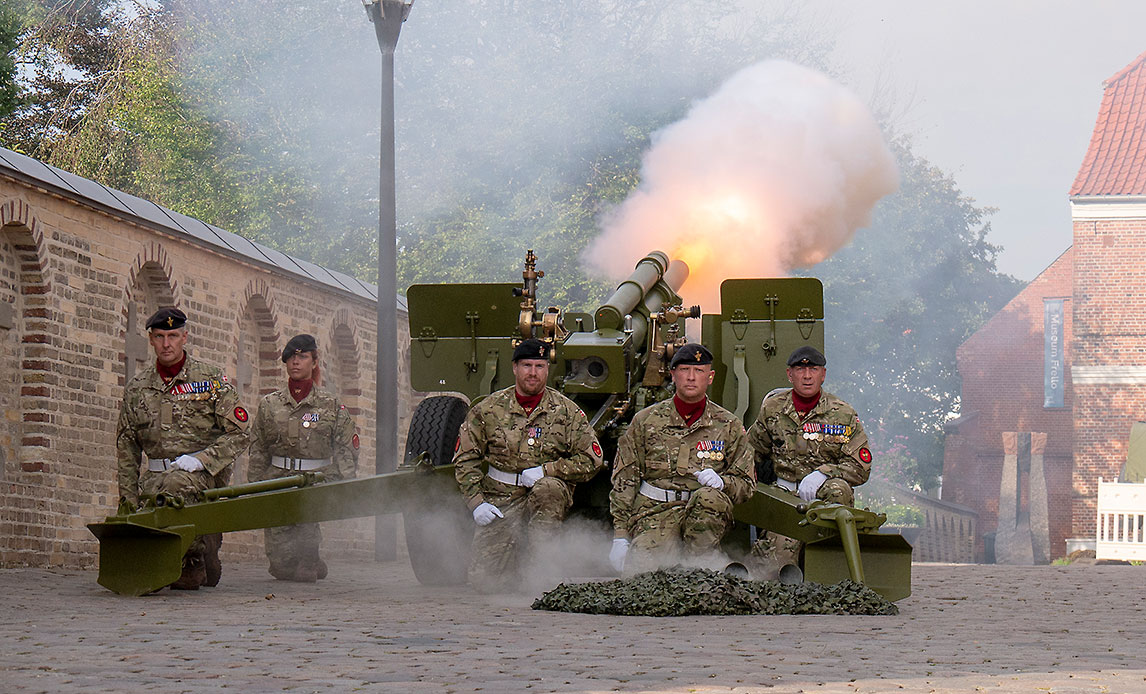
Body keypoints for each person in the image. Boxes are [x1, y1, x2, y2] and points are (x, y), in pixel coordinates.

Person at [453, 337, 605, 591]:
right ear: (515, 368)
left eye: (539, 366)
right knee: (485, 581)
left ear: (547, 369)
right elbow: (465, 458)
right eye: (526, 365)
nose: (533, 373)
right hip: (501, 497)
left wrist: (548, 470)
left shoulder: (565, 411)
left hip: (545, 495)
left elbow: (592, 459)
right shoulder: (488, 409)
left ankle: (542, 566)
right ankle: (514, 564)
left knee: (549, 488)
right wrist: (476, 503)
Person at [116, 307, 250, 590]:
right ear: (151, 340)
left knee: (176, 485)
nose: (166, 344)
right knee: (153, 501)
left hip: (202, 476)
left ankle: (192, 561)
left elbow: (239, 433)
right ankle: (200, 545)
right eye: (160, 337)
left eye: (173, 336)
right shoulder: (137, 388)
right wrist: (127, 501)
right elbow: (127, 447)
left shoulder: (210, 380)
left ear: (184, 337)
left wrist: (202, 460)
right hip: (155, 477)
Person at [608, 343, 755, 574]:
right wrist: (620, 536)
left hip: (705, 518)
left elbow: (746, 485)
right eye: (685, 370)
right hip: (655, 512)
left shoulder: (728, 425)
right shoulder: (645, 421)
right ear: (673, 375)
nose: (691, 377)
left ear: (710, 377)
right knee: (642, 575)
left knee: (709, 498)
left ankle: (704, 566)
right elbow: (625, 480)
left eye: (699, 371)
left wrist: (723, 483)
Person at [747, 345, 873, 577]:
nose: (807, 376)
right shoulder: (772, 409)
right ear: (789, 374)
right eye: (800, 370)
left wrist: (823, 473)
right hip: (785, 500)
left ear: (823, 374)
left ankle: (832, 563)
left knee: (839, 489)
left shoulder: (842, 414)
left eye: (813, 369)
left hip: (827, 505)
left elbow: (860, 467)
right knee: (775, 571)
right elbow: (749, 453)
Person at [248, 334, 359, 582]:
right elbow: (259, 448)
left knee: (303, 565)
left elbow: (346, 448)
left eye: (303, 357)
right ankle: (310, 562)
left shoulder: (330, 405)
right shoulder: (269, 405)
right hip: (278, 479)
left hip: (315, 481)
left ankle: (310, 553)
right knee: (281, 568)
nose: (296, 362)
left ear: (314, 362)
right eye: (291, 357)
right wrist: (255, 486)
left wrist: (344, 484)